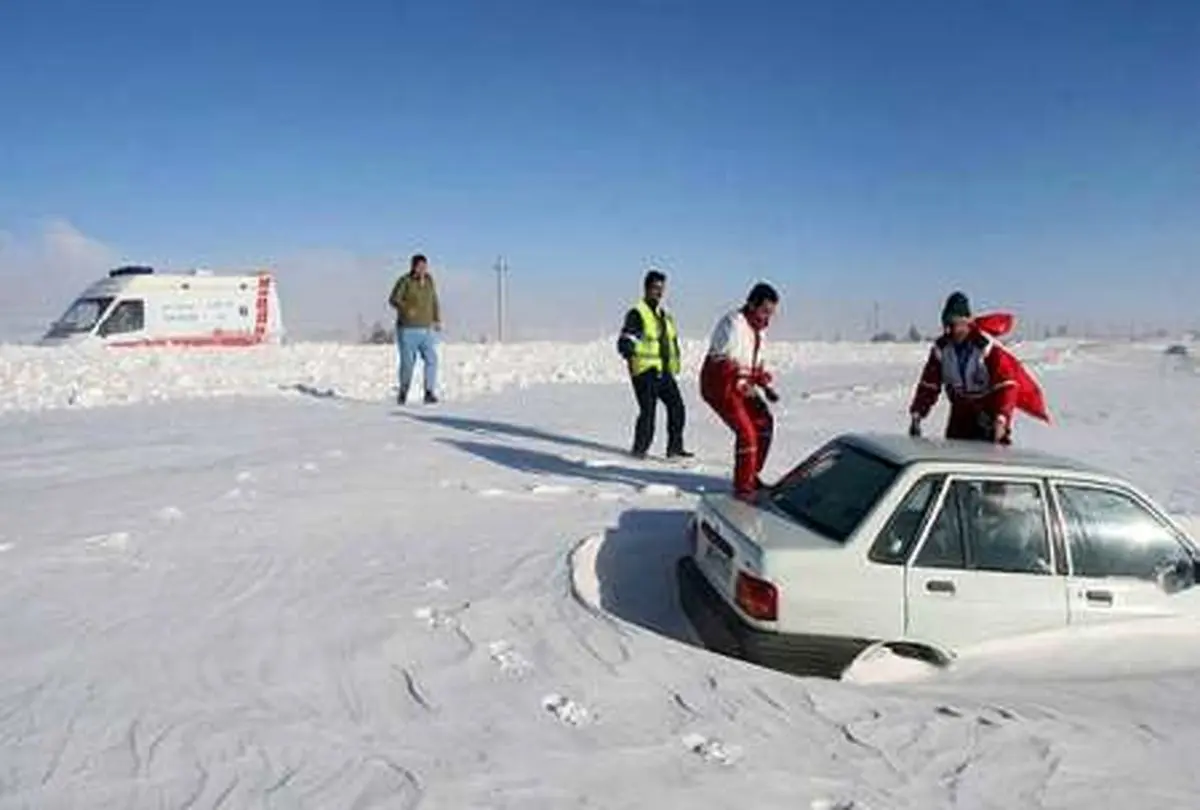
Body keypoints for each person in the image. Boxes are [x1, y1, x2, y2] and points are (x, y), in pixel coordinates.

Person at [700, 282, 780, 498]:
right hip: (719, 386)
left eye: (771, 313)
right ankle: (743, 489)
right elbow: (723, 362)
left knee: (764, 423)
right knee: (747, 433)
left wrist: (764, 383)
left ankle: (750, 474)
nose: (767, 317)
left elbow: (755, 366)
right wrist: (744, 381)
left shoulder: (760, 332)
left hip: (741, 385)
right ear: (752, 304)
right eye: (764, 311)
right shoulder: (732, 323)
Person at [908, 291, 1022, 443]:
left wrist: (1001, 419)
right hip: (959, 417)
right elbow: (929, 385)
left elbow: (1006, 385)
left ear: (966, 322)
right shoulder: (941, 349)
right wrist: (917, 414)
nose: (949, 330)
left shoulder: (986, 347)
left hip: (987, 416)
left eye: (954, 324)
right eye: (946, 325)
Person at [617, 269, 691, 459]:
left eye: (662, 288)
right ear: (647, 288)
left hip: (663, 372)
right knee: (648, 412)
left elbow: (670, 342)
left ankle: (674, 449)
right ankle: (639, 451)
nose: (659, 292)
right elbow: (626, 339)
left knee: (677, 407)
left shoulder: (664, 316)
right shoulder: (637, 313)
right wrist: (628, 350)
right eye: (655, 288)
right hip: (645, 371)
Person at [389, 253, 442, 405]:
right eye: (419, 266)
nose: (422, 269)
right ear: (413, 266)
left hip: (426, 329)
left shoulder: (430, 281)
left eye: (424, 266)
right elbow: (393, 299)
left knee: (432, 359)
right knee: (408, 364)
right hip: (407, 329)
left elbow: (434, 300)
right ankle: (403, 391)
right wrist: (406, 309)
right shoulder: (404, 281)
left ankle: (429, 392)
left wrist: (437, 319)